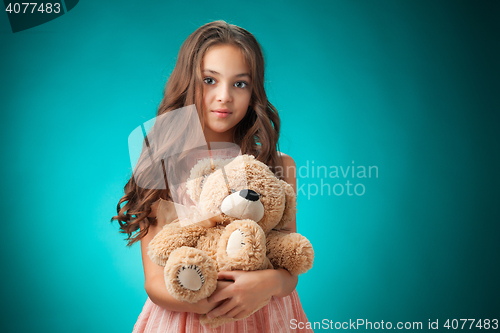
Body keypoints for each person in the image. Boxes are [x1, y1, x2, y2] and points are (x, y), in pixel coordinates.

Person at [112, 20, 313, 332]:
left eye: (239, 83)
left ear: (253, 91)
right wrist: (216, 300)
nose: (224, 96)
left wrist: (266, 282)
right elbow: (154, 282)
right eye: (209, 80)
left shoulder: (277, 165)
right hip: (190, 320)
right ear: (188, 82)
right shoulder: (161, 164)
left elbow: (289, 268)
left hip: (267, 318)